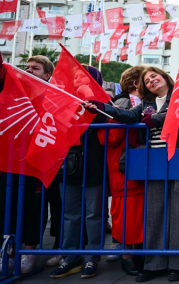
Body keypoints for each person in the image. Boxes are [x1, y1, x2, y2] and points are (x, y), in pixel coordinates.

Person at [85, 67, 179, 282]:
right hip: (153, 160)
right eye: (146, 80)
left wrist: (155, 119)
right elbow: (127, 116)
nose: (151, 81)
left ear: (164, 76)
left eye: (154, 76)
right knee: (154, 214)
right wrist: (101, 108)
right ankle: (154, 263)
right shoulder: (145, 103)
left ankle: (176, 264)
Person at [50, 66, 108, 280]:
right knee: (70, 214)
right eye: (74, 77)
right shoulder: (62, 102)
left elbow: (114, 121)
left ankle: (93, 256)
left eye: (83, 77)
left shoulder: (103, 102)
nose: (77, 81)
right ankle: (71, 257)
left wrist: (96, 107)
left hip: (94, 166)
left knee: (94, 214)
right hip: (69, 166)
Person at [0, 56, 53, 274]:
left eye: (36, 68)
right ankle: (10, 253)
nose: (29, 70)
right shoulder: (14, 89)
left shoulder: (53, 94)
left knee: (34, 207)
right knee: (8, 206)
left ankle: (29, 252)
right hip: (11, 161)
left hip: (38, 161)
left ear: (47, 75)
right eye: (27, 67)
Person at [99, 66, 146, 276]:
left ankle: (135, 254)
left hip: (132, 165)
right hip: (123, 167)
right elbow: (109, 136)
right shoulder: (123, 103)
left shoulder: (130, 102)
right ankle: (128, 257)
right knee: (128, 213)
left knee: (136, 213)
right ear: (136, 83)